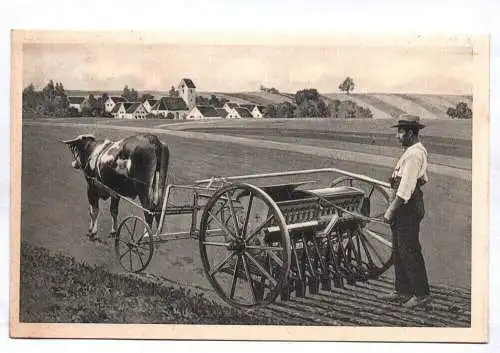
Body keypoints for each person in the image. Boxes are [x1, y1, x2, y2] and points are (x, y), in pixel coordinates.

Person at [380, 114, 431, 309]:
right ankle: (402, 290)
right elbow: (423, 179)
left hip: (407, 207)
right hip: (408, 205)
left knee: (409, 250)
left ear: (410, 133)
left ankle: (421, 295)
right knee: (399, 249)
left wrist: (390, 211)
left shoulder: (414, 155)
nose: (397, 136)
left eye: (400, 132)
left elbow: (405, 189)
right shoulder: (415, 151)